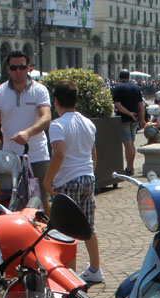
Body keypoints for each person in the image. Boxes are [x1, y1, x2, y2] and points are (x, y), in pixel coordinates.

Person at [42, 79, 102, 284]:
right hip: (87, 177)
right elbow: (94, 155)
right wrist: (89, 175)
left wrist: (47, 181)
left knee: (65, 230)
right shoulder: (88, 123)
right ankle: (95, 268)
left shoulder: (57, 125)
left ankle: (70, 275)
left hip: (68, 180)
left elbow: (58, 155)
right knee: (88, 227)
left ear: (56, 101)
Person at [0, 50, 52, 213]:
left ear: (29, 68)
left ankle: (45, 234)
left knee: (41, 200)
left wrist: (28, 133)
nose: (18, 71)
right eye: (14, 68)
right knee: (12, 199)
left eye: (22, 67)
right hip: (10, 157)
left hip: (37, 155)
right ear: (8, 69)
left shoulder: (40, 90)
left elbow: (46, 117)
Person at [111, 69, 144, 176]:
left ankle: (129, 169)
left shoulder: (118, 88)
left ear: (120, 77)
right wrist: (142, 119)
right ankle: (131, 167)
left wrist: (129, 113)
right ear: (129, 77)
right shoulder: (136, 87)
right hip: (135, 119)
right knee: (131, 144)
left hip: (124, 119)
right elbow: (141, 105)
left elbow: (118, 105)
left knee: (128, 144)